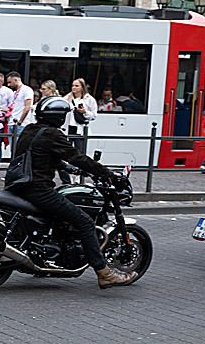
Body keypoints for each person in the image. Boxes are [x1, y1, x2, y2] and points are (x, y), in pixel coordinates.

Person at [8, 96, 138, 290]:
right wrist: (108, 173)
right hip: (38, 190)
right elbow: (78, 157)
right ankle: (104, 273)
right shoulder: (53, 135)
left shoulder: (29, 130)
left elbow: (39, 156)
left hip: (17, 186)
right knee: (85, 222)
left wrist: (71, 170)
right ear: (59, 117)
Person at [5, 71, 35, 151]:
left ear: (15, 80)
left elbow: (27, 107)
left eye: (9, 82)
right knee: (13, 149)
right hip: (12, 122)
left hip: (20, 124)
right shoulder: (15, 92)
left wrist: (20, 122)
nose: (8, 85)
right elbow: (15, 108)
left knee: (19, 148)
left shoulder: (26, 90)